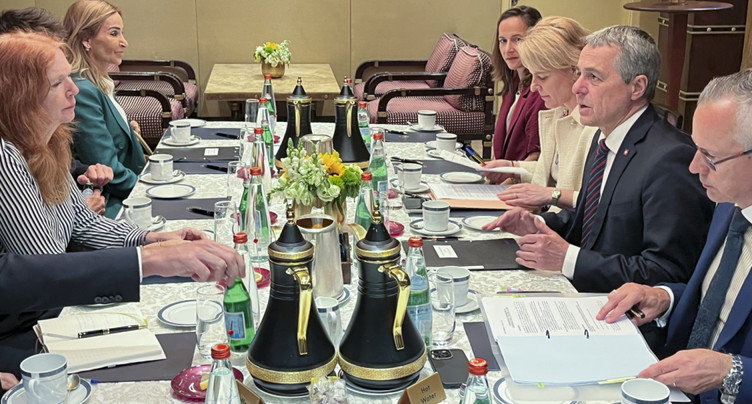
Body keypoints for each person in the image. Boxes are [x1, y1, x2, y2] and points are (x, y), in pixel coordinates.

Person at [0, 30, 243, 381]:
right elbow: (45, 264)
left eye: (70, 76)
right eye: (57, 83)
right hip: (27, 329)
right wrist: (149, 259)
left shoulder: (48, 142)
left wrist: (152, 239)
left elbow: (84, 224)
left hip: (54, 309)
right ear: (19, 96)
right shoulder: (6, 156)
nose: (74, 89)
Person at [483, 25, 714, 293]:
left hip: (617, 308)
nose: (577, 87)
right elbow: (589, 219)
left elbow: (667, 271)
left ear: (637, 87)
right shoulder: (604, 137)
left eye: (593, 77)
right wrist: (538, 224)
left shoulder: (670, 159)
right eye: (579, 73)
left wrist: (568, 259)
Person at [597, 69, 752, 403]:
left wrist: (733, 371)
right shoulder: (730, 204)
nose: (694, 167)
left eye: (711, 156)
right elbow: (717, 300)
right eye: (697, 149)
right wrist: (664, 297)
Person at [0, 6, 112, 216]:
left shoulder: (51, 134)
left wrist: (84, 172)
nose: (74, 89)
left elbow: (66, 169)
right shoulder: (6, 157)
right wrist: (76, 217)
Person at [485, 16, 596, 211]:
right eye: (532, 75)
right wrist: (512, 167)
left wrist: (551, 195)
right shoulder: (558, 112)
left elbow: (599, 201)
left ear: (574, 71)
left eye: (542, 77)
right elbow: (551, 172)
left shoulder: (593, 128)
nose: (534, 87)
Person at [64, 0, 146, 218]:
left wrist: (126, 129)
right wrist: (147, 191)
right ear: (86, 39)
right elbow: (107, 169)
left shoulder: (99, 80)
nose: (124, 42)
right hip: (112, 203)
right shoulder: (82, 90)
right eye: (114, 33)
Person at [488, 5, 546, 162]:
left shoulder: (540, 90)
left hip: (521, 176)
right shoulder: (513, 80)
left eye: (517, 40)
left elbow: (537, 156)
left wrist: (503, 176)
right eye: (503, 41)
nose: (508, 49)